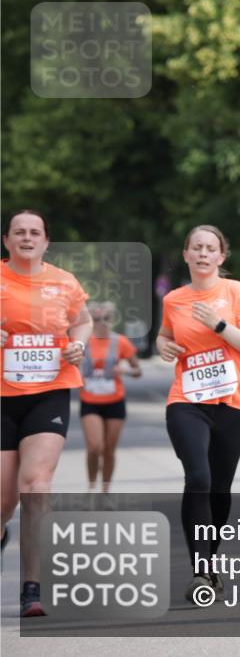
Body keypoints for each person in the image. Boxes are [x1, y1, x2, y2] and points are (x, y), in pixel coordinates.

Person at [155, 225, 240, 604]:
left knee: (219, 490)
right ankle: (201, 571)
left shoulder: (237, 292)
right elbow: (165, 334)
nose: (203, 254)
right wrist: (164, 346)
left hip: (231, 405)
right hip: (186, 400)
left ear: (221, 257)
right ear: (186, 255)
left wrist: (219, 325)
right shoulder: (173, 299)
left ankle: (210, 562)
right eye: (196, 248)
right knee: (198, 477)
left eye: (210, 248)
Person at [1, 210, 92, 617]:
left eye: (34, 232)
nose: (26, 237)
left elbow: (84, 321)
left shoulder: (64, 282)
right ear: (6, 241)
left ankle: (31, 589)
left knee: (36, 485)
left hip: (50, 391)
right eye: (18, 232)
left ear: (46, 241)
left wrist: (79, 344)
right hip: (2, 396)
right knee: (3, 501)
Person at [79, 301, 141, 493]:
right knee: (95, 446)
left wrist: (125, 370)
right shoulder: (83, 341)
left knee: (109, 450)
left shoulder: (120, 341)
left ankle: (105, 490)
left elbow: (137, 370)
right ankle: (91, 486)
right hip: (90, 400)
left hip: (115, 401)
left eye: (106, 318)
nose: (102, 323)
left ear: (112, 319)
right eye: (97, 319)